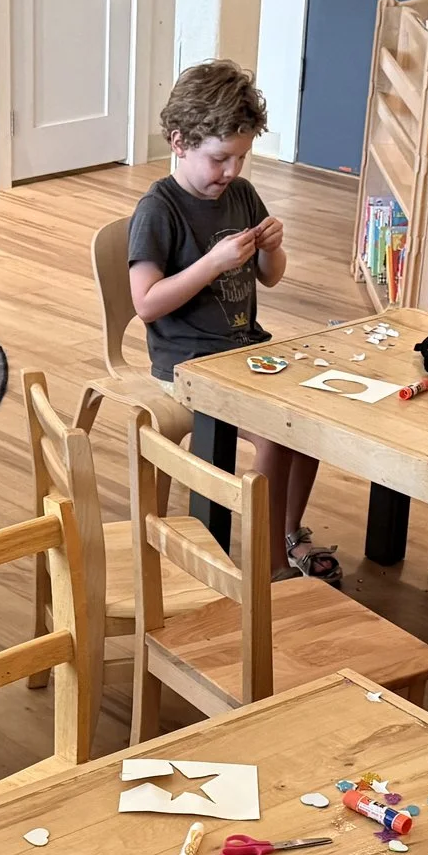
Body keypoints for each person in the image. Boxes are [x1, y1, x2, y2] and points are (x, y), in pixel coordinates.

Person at [127, 60, 333, 583]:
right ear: (179, 141)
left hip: (246, 352)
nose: (231, 172)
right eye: (219, 158)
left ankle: (287, 532)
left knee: (311, 418)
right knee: (273, 430)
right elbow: (146, 303)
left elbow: (271, 279)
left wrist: (272, 249)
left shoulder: (239, 195)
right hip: (187, 365)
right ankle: (267, 566)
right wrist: (211, 263)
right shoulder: (159, 210)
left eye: (240, 158)